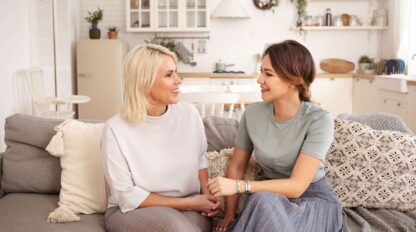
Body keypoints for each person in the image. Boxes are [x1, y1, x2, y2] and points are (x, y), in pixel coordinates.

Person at [207, 40, 343, 232]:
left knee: (262, 199)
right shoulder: (252, 114)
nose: (259, 79)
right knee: (263, 200)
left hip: (312, 201)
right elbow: (237, 166)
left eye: (268, 74)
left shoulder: (319, 119)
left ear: (293, 79)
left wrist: (239, 186)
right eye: (261, 71)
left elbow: (297, 186)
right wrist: (230, 214)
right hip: (270, 199)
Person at [101, 44, 221, 232]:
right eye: (169, 75)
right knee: (177, 228)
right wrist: (190, 203)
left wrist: (206, 198)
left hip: (189, 205)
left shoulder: (189, 114)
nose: (178, 80)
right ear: (144, 81)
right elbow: (125, 195)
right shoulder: (115, 128)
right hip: (133, 210)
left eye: (176, 73)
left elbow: (200, 159)